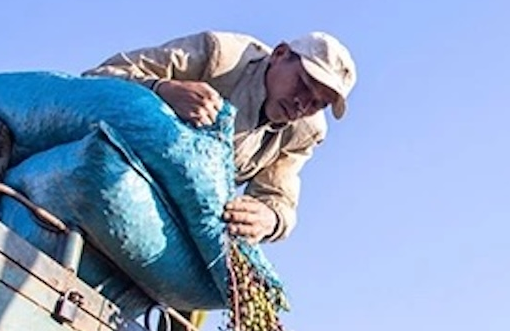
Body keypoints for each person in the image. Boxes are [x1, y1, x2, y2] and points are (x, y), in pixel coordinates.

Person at [85, 30, 355, 242]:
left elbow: (278, 195)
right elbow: (98, 78)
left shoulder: (306, 131)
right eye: (303, 84)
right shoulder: (220, 56)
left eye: (319, 104)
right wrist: (160, 89)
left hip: (183, 223)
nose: (303, 105)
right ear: (280, 54)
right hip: (121, 173)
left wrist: (270, 219)